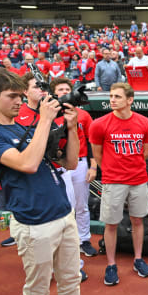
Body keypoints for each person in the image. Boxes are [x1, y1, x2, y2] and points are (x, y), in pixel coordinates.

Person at [0, 68, 84, 295]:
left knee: (71, 281)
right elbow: (28, 164)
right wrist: (45, 120)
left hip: (64, 214)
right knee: (37, 292)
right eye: (11, 96)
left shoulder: (27, 128)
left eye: (20, 96)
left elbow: (70, 163)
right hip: (35, 223)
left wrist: (72, 128)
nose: (18, 102)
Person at [89, 82, 148, 285]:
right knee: (111, 224)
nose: (112, 100)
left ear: (130, 100)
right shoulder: (99, 124)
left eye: (117, 96)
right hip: (113, 181)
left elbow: (144, 152)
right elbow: (97, 155)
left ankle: (138, 259)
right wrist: (111, 170)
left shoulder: (145, 123)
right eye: (111, 96)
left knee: (137, 221)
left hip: (138, 179)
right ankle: (111, 264)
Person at [49, 78, 99, 257]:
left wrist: (93, 166)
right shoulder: (48, 114)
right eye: (60, 89)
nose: (63, 92)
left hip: (79, 162)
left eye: (66, 89)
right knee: (63, 206)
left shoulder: (83, 115)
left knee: (81, 205)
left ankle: (84, 238)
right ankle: (65, 243)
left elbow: (92, 141)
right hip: (56, 164)